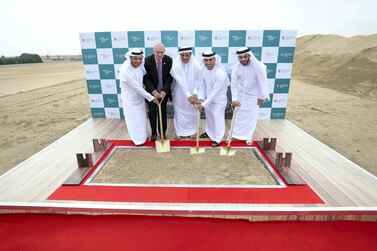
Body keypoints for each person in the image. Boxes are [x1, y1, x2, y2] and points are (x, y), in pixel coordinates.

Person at [118, 48, 159, 146]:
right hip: (129, 100)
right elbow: (137, 88)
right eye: (135, 59)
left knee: (141, 119)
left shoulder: (141, 66)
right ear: (130, 58)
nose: (138, 61)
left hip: (139, 99)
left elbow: (142, 82)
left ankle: (143, 137)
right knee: (133, 121)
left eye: (140, 58)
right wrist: (152, 98)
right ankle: (137, 140)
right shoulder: (126, 71)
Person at [230, 47, 270, 145]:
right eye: (240, 57)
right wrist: (234, 99)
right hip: (240, 96)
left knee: (251, 118)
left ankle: (248, 137)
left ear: (249, 55)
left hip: (253, 96)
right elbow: (234, 84)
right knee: (238, 116)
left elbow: (263, 82)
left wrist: (262, 96)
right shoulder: (236, 67)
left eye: (245, 56)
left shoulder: (259, 66)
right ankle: (234, 135)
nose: (243, 59)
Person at [195, 50, 230, 147]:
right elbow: (201, 85)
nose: (208, 63)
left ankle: (218, 139)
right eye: (206, 60)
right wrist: (201, 98)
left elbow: (215, 92)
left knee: (217, 117)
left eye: (210, 60)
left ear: (215, 59)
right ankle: (209, 132)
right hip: (207, 99)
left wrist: (203, 104)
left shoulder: (220, 73)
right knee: (209, 117)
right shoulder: (202, 70)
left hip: (218, 100)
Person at [143, 43, 173, 141]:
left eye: (162, 52)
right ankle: (154, 133)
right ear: (153, 51)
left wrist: (164, 90)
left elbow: (170, 77)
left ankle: (162, 133)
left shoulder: (169, 60)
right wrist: (154, 91)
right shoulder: (147, 60)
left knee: (163, 113)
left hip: (163, 93)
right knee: (152, 113)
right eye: (157, 52)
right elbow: (145, 78)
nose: (160, 55)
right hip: (151, 93)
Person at [170, 46, 201, 139]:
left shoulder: (196, 65)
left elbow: (197, 80)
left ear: (191, 54)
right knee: (179, 111)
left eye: (187, 55)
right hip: (179, 92)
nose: (184, 57)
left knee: (191, 111)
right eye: (182, 55)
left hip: (192, 91)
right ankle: (180, 131)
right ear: (179, 55)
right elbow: (181, 82)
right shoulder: (175, 65)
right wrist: (188, 95)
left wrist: (195, 93)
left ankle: (192, 131)